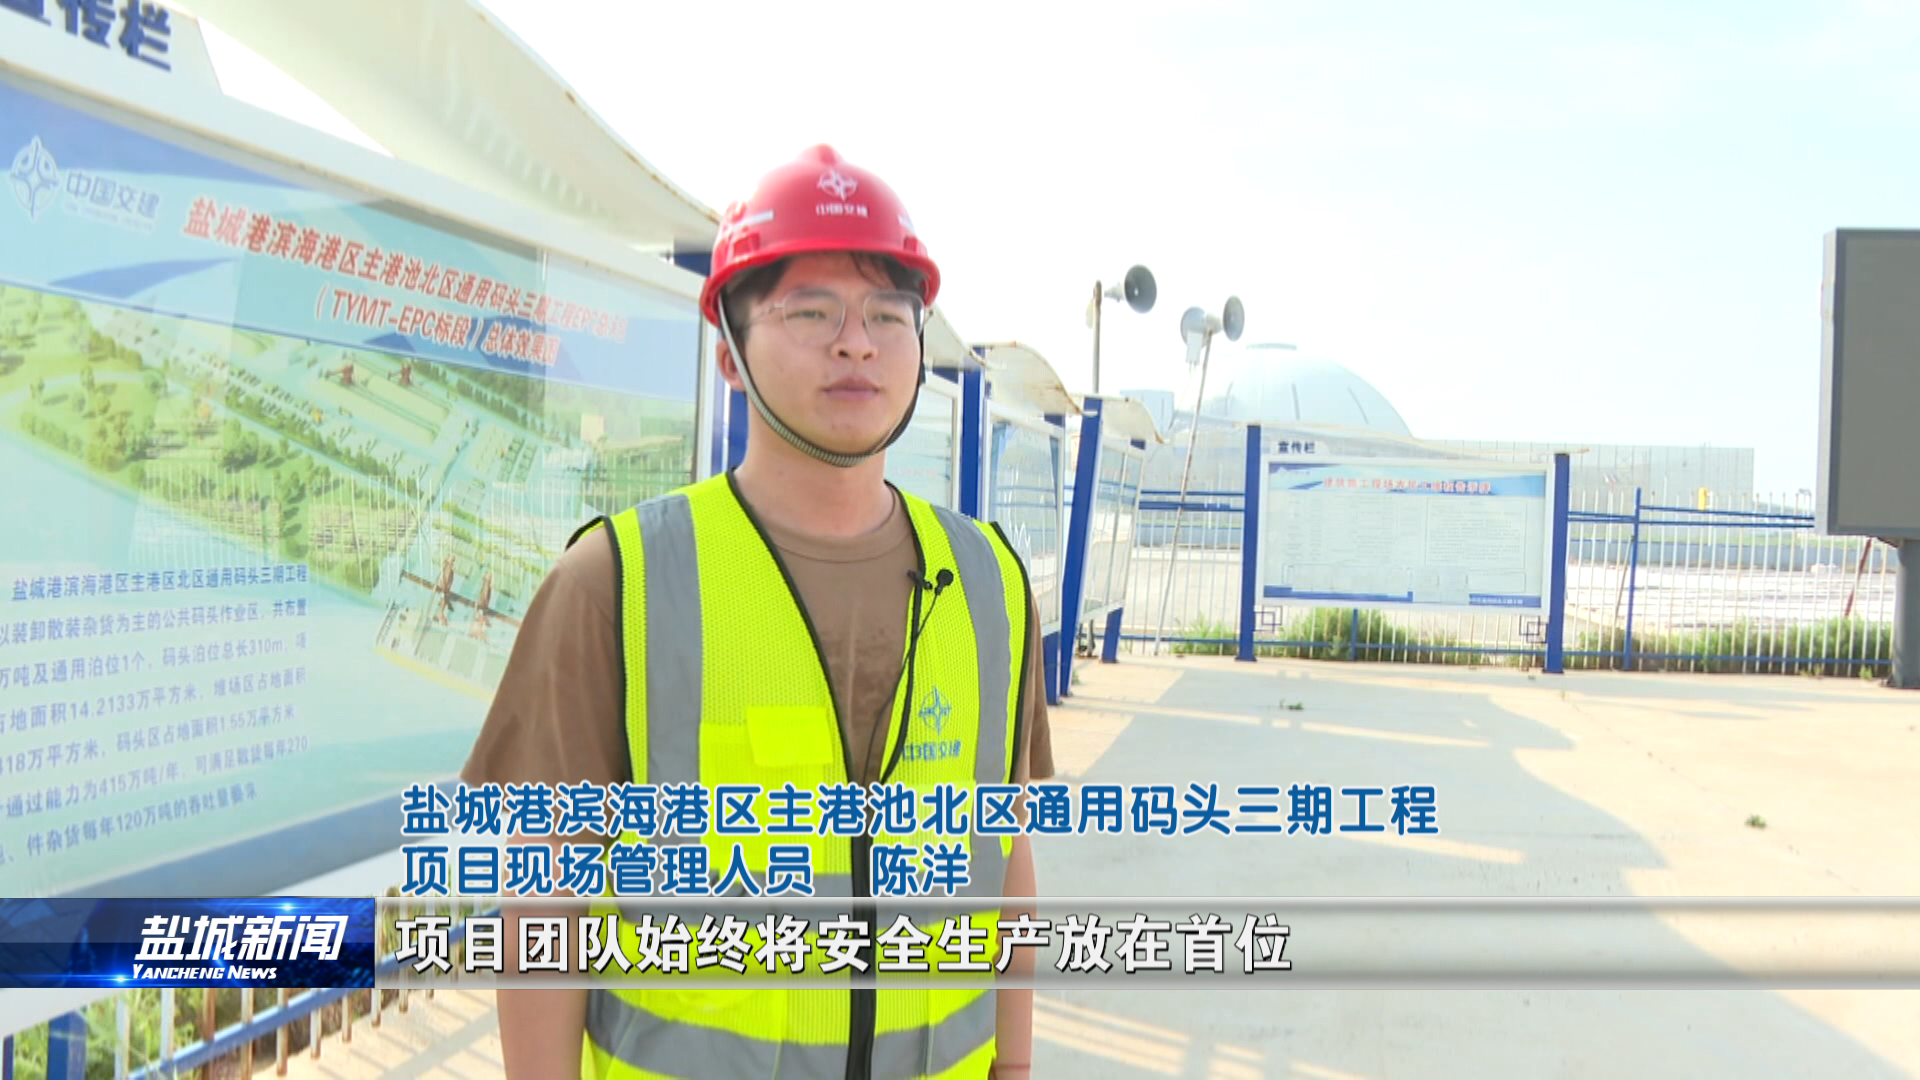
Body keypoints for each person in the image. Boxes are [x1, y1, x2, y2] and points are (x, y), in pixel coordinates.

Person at [460, 143, 1055, 1079]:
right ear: (729, 356)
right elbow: (544, 900)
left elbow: (1004, 852)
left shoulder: (991, 583)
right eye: (810, 311)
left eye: (887, 314)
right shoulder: (617, 582)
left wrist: (1014, 1067)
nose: (855, 342)